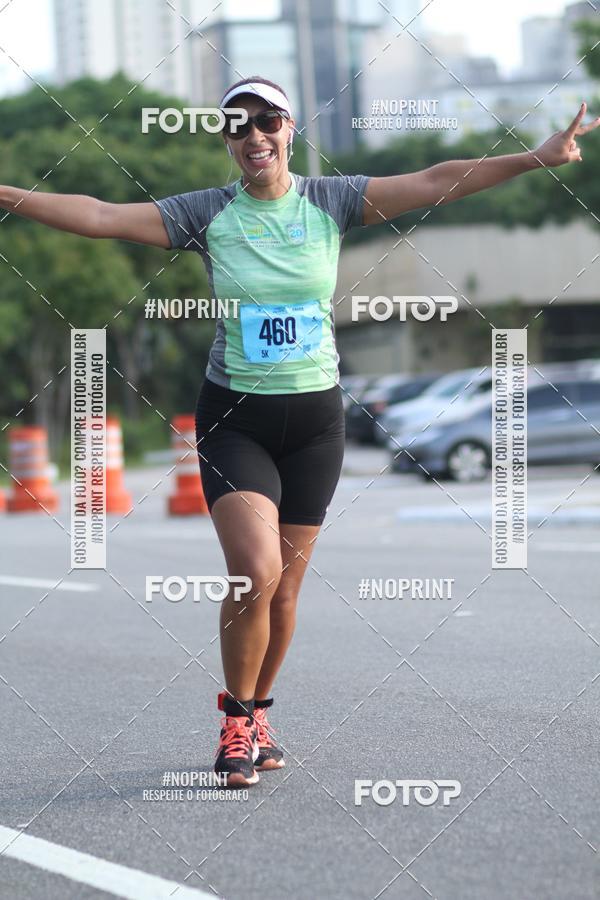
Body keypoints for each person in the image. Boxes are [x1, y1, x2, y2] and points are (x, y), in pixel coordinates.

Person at [1, 76, 597, 788]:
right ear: (227, 141)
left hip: (316, 423)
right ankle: (232, 723)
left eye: (268, 121)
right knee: (256, 573)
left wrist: (537, 156)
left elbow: (438, 179)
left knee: (284, 594)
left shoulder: (332, 200)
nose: (254, 135)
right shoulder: (206, 213)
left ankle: (258, 713)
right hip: (236, 419)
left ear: (290, 130)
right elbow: (98, 214)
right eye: (238, 126)